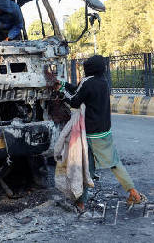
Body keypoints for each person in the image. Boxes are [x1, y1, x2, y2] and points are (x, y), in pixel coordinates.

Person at [56, 55, 144, 212]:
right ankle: (133, 192)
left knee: (86, 168)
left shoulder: (88, 83)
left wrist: (61, 91)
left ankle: (81, 203)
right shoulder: (103, 81)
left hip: (90, 134)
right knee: (115, 163)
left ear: (88, 69)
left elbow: (75, 101)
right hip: (105, 131)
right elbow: (79, 90)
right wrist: (64, 84)